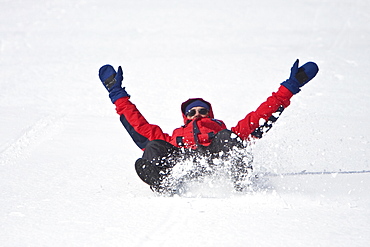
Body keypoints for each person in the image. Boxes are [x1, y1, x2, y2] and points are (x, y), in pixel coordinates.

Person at [98, 59, 319, 192]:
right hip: (184, 161)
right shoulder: (176, 136)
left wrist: (290, 87)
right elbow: (138, 125)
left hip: (218, 160)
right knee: (154, 145)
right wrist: (116, 93)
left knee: (228, 139)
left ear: (210, 114)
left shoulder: (222, 131)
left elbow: (261, 115)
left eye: (202, 111)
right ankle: (162, 181)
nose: (197, 114)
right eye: (191, 112)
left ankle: (240, 177)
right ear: (185, 117)